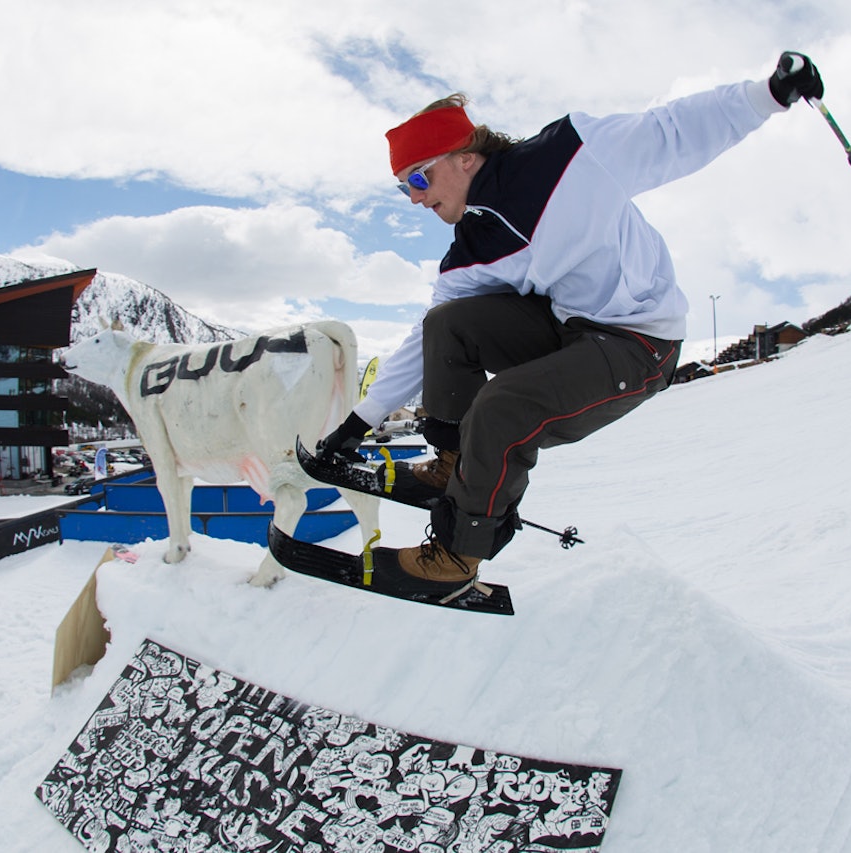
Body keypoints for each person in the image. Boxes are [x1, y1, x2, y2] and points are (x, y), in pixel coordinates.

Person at [316, 51, 825, 596]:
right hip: (571, 329)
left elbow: (673, 131)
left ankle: (458, 554)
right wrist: (357, 423)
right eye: (403, 187)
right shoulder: (472, 248)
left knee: (501, 406)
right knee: (448, 323)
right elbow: (425, 339)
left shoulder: (569, 155)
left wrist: (767, 94)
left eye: (419, 177)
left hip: (640, 342)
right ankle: (454, 465)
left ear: (465, 157)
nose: (414, 197)